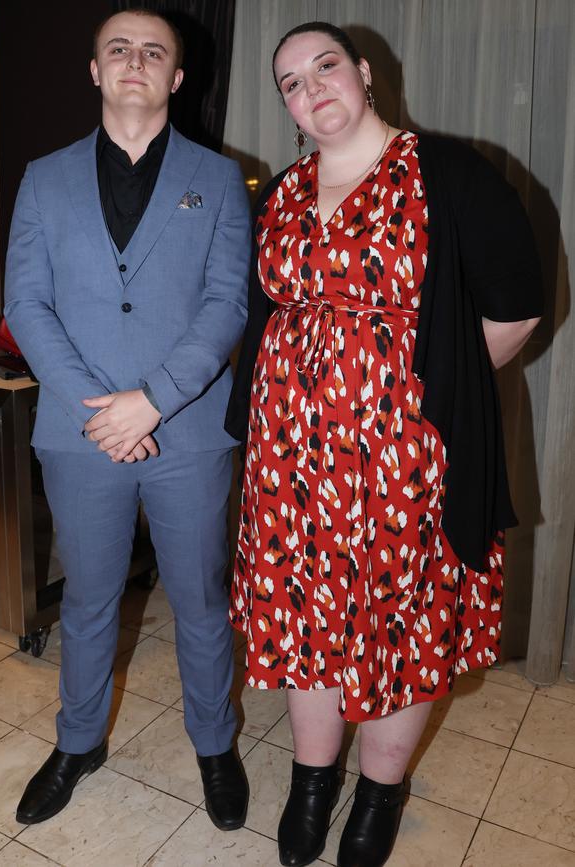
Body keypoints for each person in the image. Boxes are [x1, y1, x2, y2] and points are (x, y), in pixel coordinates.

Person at [224, 21, 542, 867]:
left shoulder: (449, 174)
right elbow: (259, 315)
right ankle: (312, 779)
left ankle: (379, 791)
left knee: (400, 619)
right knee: (306, 615)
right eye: (290, 80)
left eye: (325, 66)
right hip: (290, 458)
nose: (311, 87)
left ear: (364, 72)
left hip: (407, 459)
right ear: (287, 105)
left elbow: (516, 307)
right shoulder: (281, 192)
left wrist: (417, 393)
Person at [5, 7, 251, 830]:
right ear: (95, 70)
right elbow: (26, 306)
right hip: (78, 436)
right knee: (87, 600)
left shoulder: (220, 180)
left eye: (154, 52)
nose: (135, 61)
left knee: (201, 599)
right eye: (119, 49)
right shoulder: (42, 177)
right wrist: (99, 410)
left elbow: (226, 305)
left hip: (185, 431)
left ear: (177, 78)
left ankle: (214, 743)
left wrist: (150, 400)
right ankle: (79, 741)